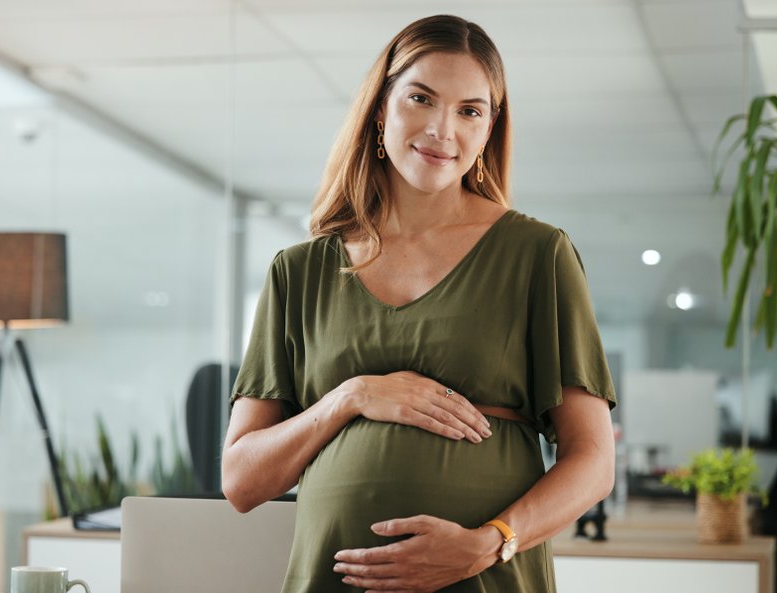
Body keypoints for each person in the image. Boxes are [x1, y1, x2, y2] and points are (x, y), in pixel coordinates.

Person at [222, 14, 617, 593]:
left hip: (482, 578)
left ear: (488, 130)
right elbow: (241, 481)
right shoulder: (299, 271)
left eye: (469, 110)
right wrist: (351, 397)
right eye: (420, 98)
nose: (441, 128)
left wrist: (490, 542)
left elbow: (593, 461)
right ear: (381, 108)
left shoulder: (538, 255)